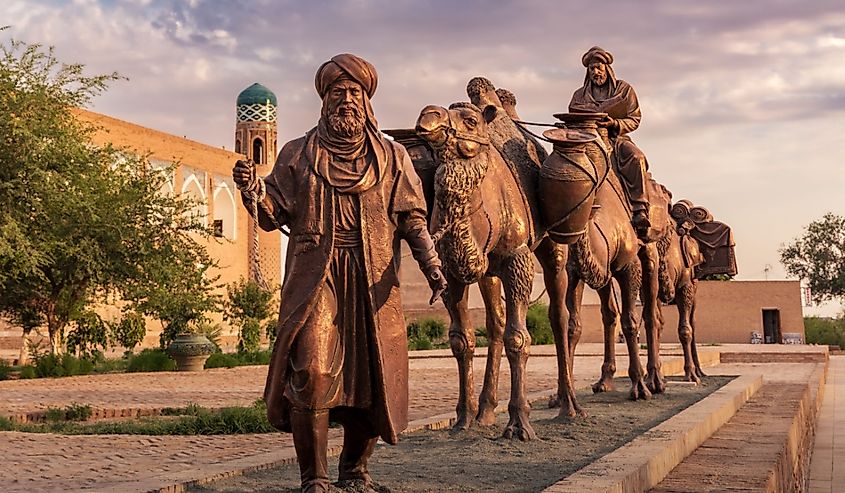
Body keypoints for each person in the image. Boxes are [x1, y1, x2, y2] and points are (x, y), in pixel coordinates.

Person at [232, 53, 447, 493]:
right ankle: (314, 478)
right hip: (317, 277)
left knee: (372, 379)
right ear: (325, 100)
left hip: (372, 280)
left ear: (366, 101)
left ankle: (355, 471)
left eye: (354, 93)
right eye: (337, 93)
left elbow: (412, 219)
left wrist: (432, 265)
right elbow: (273, 213)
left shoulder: (392, 156)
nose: (346, 100)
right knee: (311, 370)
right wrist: (253, 191)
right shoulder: (297, 153)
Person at [569, 46, 651, 234]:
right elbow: (571, 116)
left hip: (616, 137)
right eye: (591, 69)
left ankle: (640, 209)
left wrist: (614, 123)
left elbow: (635, 118)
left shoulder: (624, 89)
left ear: (607, 68)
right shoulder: (579, 95)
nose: (596, 72)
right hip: (586, 137)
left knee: (636, 157)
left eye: (599, 67)